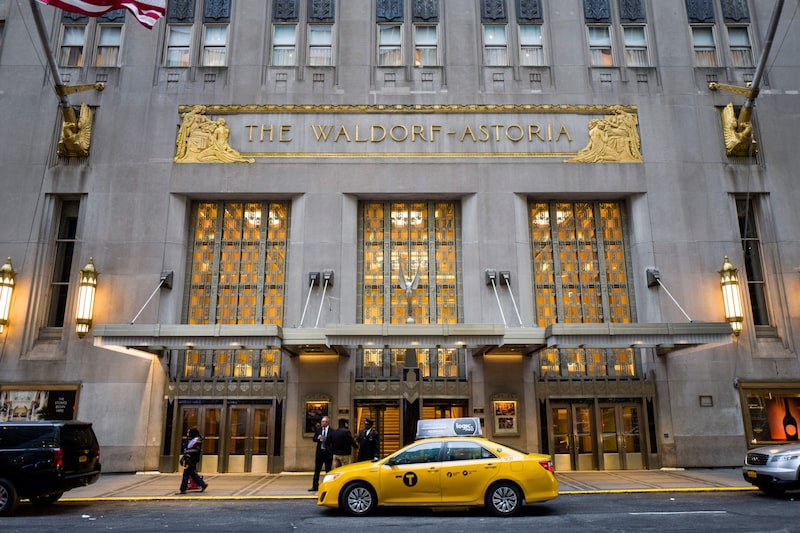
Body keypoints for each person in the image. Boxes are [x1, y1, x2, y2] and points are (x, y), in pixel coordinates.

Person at [179, 428, 208, 494]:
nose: (188, 434)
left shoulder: (196, 441)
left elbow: (196, 451)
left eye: (189, 432)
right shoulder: (191, 440)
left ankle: (182, 489)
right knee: (192, 473)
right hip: (189, 459)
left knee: (186, 474)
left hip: (191, 459)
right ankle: (202, 484)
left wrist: (188, 453)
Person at [309, 416, 333, 491]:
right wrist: (318, 438)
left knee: (328, 470)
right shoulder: (318, 430)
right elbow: (314, 439)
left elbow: (333, 442)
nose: (322, 423)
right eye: (321, 421)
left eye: (323, 421)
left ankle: (328, 486)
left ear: (327, 422)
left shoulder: (332, 431)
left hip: (327, 453)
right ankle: (315, 486)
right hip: (320, 452)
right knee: (317, 470)